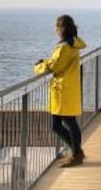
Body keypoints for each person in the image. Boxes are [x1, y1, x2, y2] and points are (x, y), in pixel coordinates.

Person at [34, 15, 86, 167]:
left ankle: (76, 154)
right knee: (61, 123)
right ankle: (77, 152)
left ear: (61, 28)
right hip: (68, 87)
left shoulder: (64, 47)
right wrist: (47, 62)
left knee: (66, 123)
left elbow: (55, 67)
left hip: (63, 88)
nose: (55, 30)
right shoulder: (73, 43)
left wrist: (39, 66)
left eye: (56, 27)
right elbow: (56, 62)